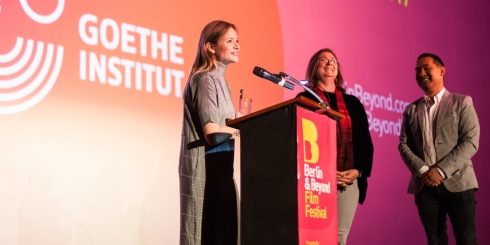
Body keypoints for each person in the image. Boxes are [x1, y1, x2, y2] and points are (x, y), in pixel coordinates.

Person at [398, 53, 480, 245]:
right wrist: (424, 170)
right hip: (425, 186)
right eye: (417, 70)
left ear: (442, 70)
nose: (421, 73)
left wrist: (442, 171)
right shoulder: (411, 110)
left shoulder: (462, 102)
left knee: (467, 240)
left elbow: (470, 141)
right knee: (434, 241)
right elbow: (403, 145)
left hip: (459, 183)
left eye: (427, 68)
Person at [297, 48, 374, 245]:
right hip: (316, 178)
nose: (330, 63)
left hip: (348, 179)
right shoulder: (305, 99)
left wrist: (357, 171)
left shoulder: (353, 103)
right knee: (314, 237)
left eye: (333, 60)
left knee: (339, 238)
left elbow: (365, 143)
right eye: (324, 60)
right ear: (314, 68)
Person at [178, 20, 240, 245]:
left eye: (237, 41)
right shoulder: (205, 79)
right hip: (208, 172)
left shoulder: (222, 81)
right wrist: (240, 126)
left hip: (222, 169)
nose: (237, 46)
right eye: (230, 41)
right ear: (210, 47)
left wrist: (238, 122)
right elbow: (212, 133)